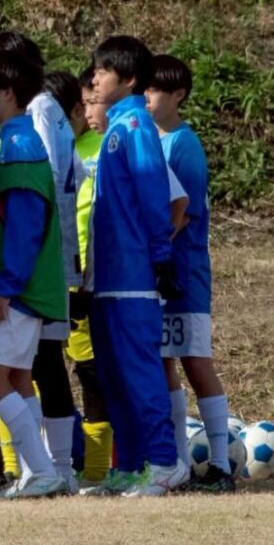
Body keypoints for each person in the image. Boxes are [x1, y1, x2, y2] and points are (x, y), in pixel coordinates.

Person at [86, 35, 184, 497]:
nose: (94, 78)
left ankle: (164, 461)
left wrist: (160, 257)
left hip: (133, 278)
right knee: (113, 376)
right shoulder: (114, 130)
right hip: (106, 278)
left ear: (127, 79)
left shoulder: (136, 128)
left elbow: (152, 196)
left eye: (103, 71)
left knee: (139, 371)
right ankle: (129, 463)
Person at [0, 51, 69, 499]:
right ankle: (40, 472)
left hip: (20, 291)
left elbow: (26, 225)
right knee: (15, 379)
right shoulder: (18, 139)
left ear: (7, 94)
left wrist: (7, 287)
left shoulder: (18, 146)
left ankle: (44, 469)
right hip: (27, 288)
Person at [146, 54, 234, 493]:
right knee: (163, 363)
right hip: (154, 276)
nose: (148, 97)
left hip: (183, 273)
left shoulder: (184, 144)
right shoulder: (150, 138)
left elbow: (182, 214)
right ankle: (179, 461)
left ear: (178, 95)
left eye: (156, 90)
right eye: (144, 88)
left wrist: (154, 251)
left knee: (196, 363)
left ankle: (220, 464)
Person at [64, 68, 112, 485]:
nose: (81, 113)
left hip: (94, 277)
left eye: (86, 104)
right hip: (51, 276)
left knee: (92, 373)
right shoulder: (53, 147)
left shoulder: (106, 145)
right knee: (34, 370)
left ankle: (97, 472)